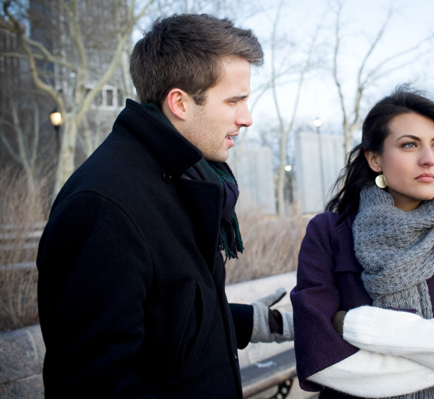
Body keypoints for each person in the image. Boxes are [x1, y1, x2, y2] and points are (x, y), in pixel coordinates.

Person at [36, 14, 292, 399]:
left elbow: (168, 324)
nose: (247, 118)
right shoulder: (105, 206)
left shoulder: (185, 178)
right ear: (180, 103)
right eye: (235, 100)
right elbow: (90, 382)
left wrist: (251, 322)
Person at [291, 85, 434, 398]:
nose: (429, 159)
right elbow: (323, 361)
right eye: (409, 145)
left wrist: (360, 327)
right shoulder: (327, 233)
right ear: (374, 159)